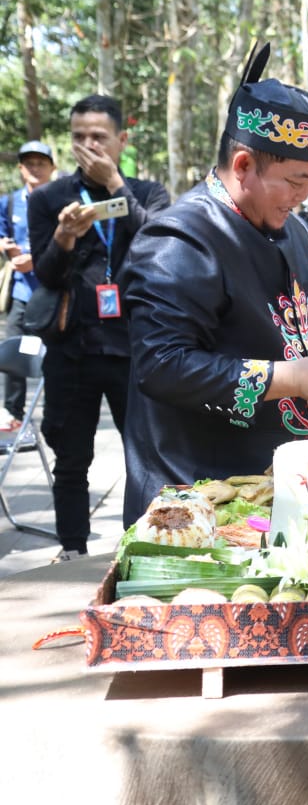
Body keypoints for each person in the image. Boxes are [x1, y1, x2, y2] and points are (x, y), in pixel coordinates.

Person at [120, 43, 308, 524]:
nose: (303, 197)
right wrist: (291, 379)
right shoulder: (179, 237)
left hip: (289, 486)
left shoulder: (292, 230)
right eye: (295, 181)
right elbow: (162, 365)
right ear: (242, 166)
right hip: (200, 495)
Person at [26, 95, 169, 559]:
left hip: (136, 349)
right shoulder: (49, 198)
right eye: (79, 137)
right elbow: (45, 276)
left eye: (99, 137)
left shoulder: (146, 193)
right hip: (73, 349)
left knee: (147, 459)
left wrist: (116, 186)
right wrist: (65, 238)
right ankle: (72, 552)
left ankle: (147, 551)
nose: (88, 145)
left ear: (120, 141)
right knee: (71, 459)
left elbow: (164, 249)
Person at [0, 140, 57, 430]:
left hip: (55, 294)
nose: (35, 169)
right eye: (29, 163)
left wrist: (36, 260)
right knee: (13, 351)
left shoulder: (62, 200)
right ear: (21, 169)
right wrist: (6, 248)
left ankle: (55, 411)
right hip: (22, 293)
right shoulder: (9, 202)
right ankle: (13, 412)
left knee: (56, 355)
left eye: (41, 163)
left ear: (52, 168)